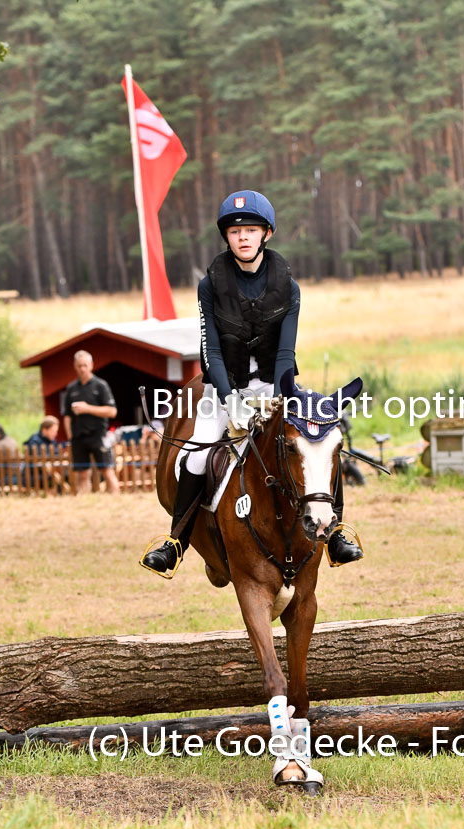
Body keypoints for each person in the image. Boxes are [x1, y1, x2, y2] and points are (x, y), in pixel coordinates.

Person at [142, 188, 363, 576]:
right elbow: (210, 349)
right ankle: (176, 540)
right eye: (234, 230)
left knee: (318, 439)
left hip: (276, 386)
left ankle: (338, 531)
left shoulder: (289, 287)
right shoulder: (210, 285)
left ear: (267, 234)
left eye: (251, 229)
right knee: (194, 459)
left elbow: (285, 352)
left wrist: (280, 400)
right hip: (223, 389)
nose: (242, 236)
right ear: (226, 237)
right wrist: (230, 402)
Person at [62, 351, 120, 495]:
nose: (82, 368)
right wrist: (70, 435)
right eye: (79, 365)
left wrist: (87, 408)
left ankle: (116, 498)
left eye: (85, 365)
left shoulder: (100, 386)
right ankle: (84, 501)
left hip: (98, 434)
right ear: (75, 366)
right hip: (78, 436)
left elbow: (112, 411)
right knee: (82, 473)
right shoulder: (71, 389)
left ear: (91, 366)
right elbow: (67, 416)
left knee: (106, 470)